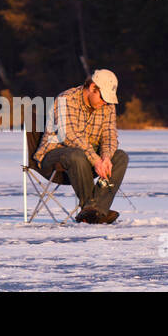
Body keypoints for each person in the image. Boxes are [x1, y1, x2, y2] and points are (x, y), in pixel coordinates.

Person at [33, 68, 128, 224]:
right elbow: (70, 136)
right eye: (103, 97)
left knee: (121, 157)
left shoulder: (108, 105)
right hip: (54, 155)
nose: (105, 102)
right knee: (76, 154)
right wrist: (96, 160)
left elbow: (109, 134)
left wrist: (105, 157)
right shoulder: (66, 99)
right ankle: (93, 210)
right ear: (92, 88)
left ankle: (93, 211)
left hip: (86, 160)